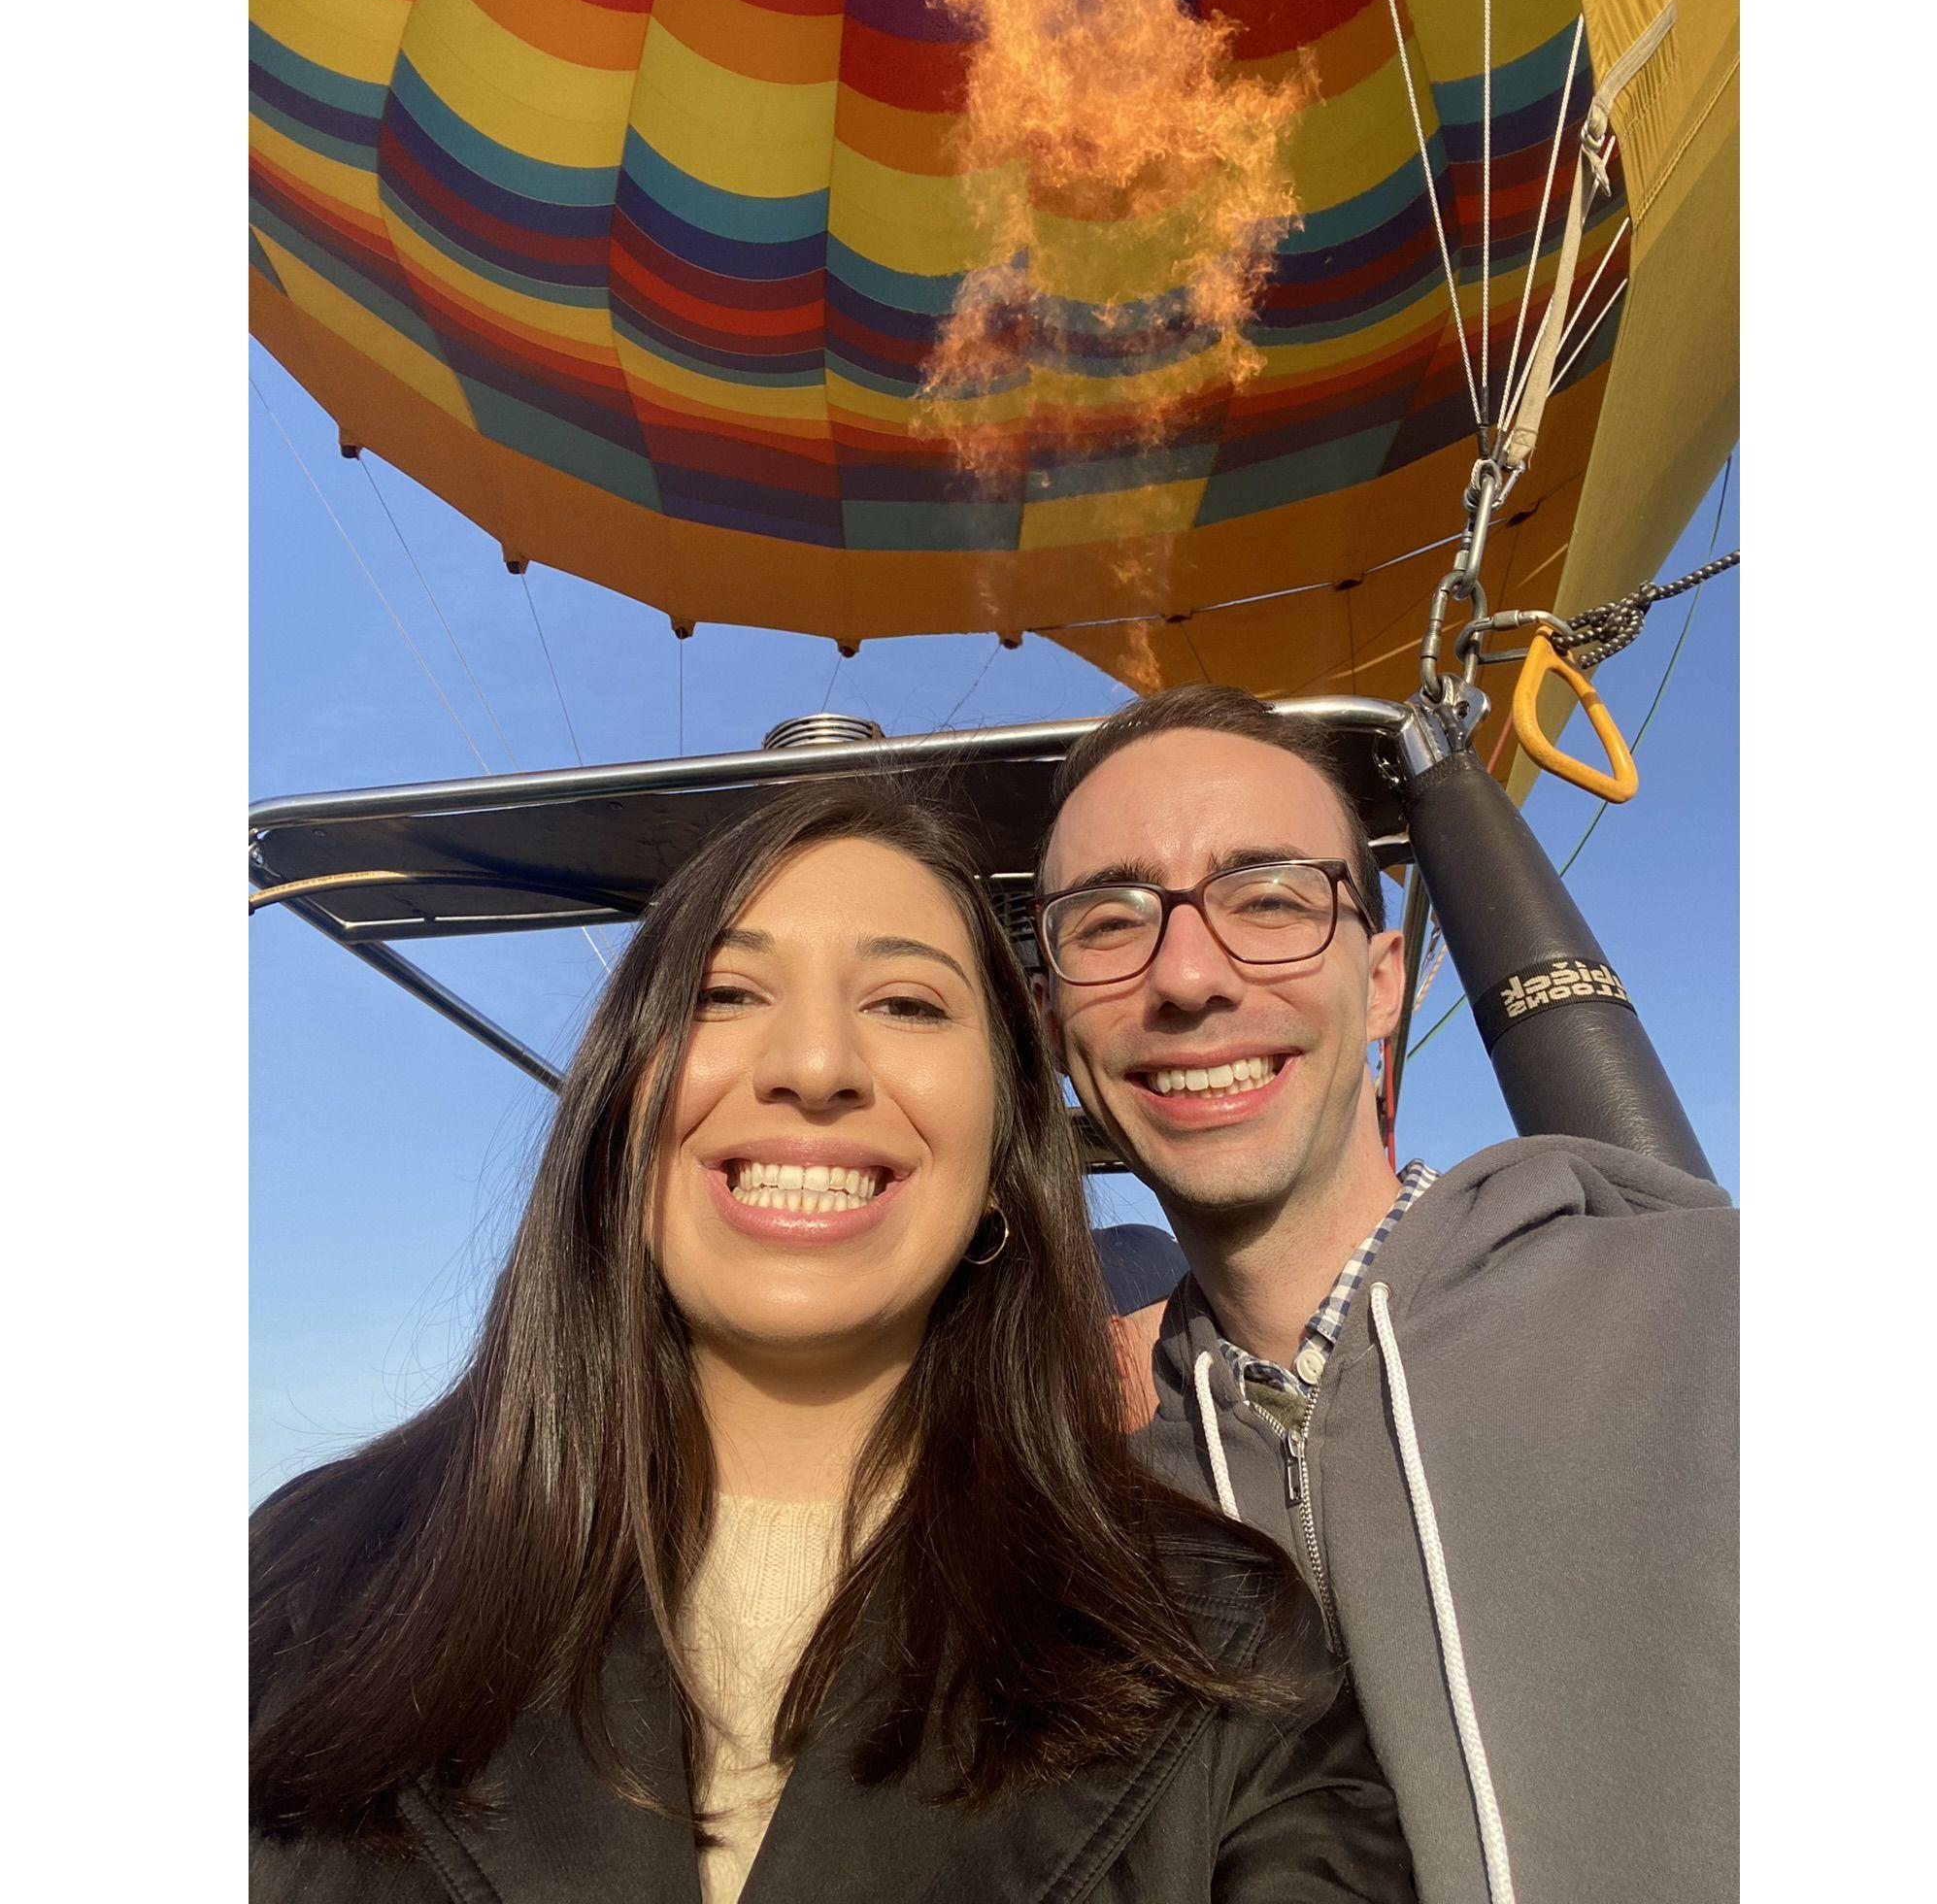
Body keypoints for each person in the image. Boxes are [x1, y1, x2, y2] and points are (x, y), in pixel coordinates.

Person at [250, 782, 1418, 1904]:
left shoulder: (1216, 1640)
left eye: (906, 1004)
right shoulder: (301, 1584)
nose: (812, 1067)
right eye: (723, 994)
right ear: (619, 1105)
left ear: (1003, 1145)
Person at [1034, 685, 1738, 1904]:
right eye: (1107, 921)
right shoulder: (1095, 1541)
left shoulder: (1724, 1316)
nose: (1189, 974)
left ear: (1381, 982)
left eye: (1267, 899)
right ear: (1051, 1019)